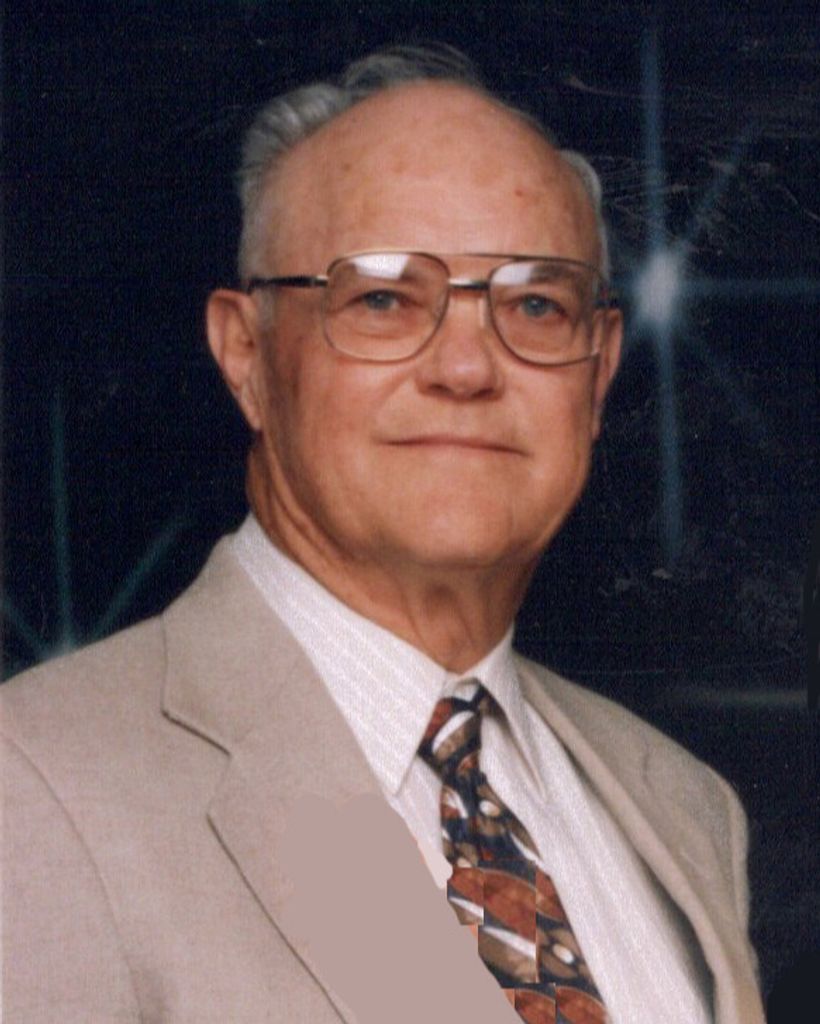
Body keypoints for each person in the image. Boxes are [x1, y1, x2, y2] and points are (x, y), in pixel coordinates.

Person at [1, 47, 764, 1024]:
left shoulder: (683, 807)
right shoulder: (36, 787)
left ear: (599, 366)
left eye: (535, 303)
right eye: (382, 299)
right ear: (245, 352)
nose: (466, 368)